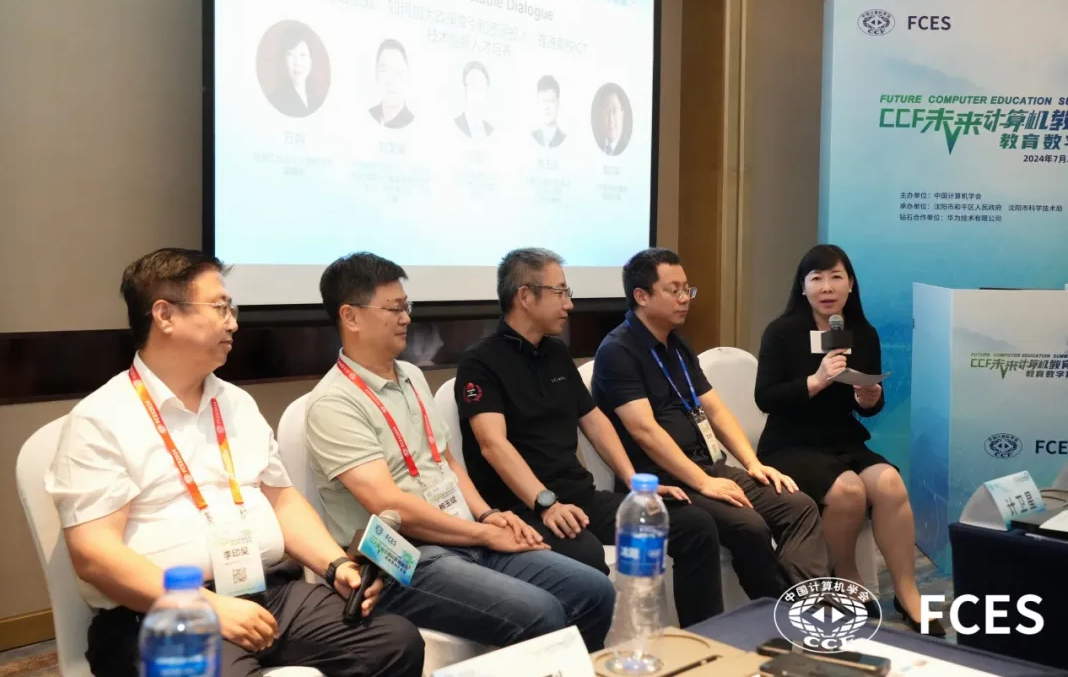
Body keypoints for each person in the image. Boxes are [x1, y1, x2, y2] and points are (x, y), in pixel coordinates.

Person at [46, 249, 424, 677]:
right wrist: (207, 607)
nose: (233, 323)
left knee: (395, 642)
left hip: (263, 592)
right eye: (220, 308)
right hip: (160, 615)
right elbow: (94, 554)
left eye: (232, 309)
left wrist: (335, 566)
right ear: (165, 315)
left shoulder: (235, 402)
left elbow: (282, 501)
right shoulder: (100, 418)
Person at [305, 252, 614, 651]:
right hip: (405, 560)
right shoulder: (333, 403)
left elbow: (446, 461)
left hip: (464, 534)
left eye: (406, 306)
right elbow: (389, 504)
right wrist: (482, 533)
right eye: (394, 309)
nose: (406, 319)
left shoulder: (411, 375)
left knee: (594, 590)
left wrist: (487, 515)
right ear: (350, 317)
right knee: (542, 612)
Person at [455, 248, 725, 626]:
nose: (569, 304)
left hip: (579, 497)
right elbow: (493, 445)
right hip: (523, 508)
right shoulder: (480, 362)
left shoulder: (555, 352)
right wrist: (546, 503)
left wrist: (634, 482)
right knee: (586, 555)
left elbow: (594, 420)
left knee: (694, 525)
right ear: (525, 296)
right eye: (560, 292)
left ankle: (705, 638)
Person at [592, 248, 829, 602]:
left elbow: (715, 411)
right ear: (641, 296)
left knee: (798, 506)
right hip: (664, 480)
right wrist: (704, 482)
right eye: (673, 290)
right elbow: (645, 431)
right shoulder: (618, 351)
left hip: (709, 466)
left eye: (687, 289)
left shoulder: (677, 345)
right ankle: (777, 614)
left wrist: (752, 463)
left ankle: (808, 602)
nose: (684, 298)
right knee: (749, 525)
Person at [754, 244, 945, 636]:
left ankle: (907, 593)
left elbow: (868, 405)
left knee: (890, 484)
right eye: (817, 278)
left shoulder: (862, 334)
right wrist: (817, 380)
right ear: (803, 286)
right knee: (848, 492)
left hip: (841, 439)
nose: (827, 287)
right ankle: (845, 578)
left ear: (851, 284)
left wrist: (868, 398)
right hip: (789, 444)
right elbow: (765, 398)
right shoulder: (782, 332)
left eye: (836, 277)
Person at [269, 26, 322, 118]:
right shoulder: (277, 100)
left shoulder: (316, 97)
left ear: (311, 60)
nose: (297, 63)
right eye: (290, 55)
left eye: (303, 55)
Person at [369, 39, 414, 128]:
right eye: (384, 71)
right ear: (376, 75)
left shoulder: (413, 123)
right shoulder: (367, 116)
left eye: (398, 72)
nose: (391, 81)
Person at [454, 62, 494, 138]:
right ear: (465, 89)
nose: (476, 91)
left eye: (480, 86)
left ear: (486, 90)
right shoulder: (454, 126)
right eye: (472, 85)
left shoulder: (490, 130)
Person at [531, 75, 566, 148]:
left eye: (551, 101)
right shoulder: (531, 139)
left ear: (558, 104)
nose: (546, 107)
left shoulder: (565, 140)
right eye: (543, 101)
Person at [595, 88, 629, 156]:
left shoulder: (628, 146)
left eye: (614, 111)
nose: (611, 118)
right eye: (607, 111)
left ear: (622, 114)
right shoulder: (597, 145)